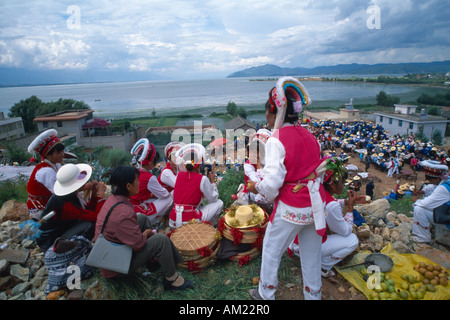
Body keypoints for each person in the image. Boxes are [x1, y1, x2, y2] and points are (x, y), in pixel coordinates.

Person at [247, 77, 327, 300]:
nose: (266, 117)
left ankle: (266, 294)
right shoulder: (312, 137)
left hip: (293, 207)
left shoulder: (276, 139)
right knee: (312, 254)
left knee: (272, 250)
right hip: (316, 205)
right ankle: (313, 295)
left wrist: (256, 186)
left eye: (267, 112)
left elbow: (272, 185)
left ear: (274, 111)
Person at [94, 165, 193, 290]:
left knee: (142, 219)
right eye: (137, 179)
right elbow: (138, 244)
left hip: (111, 254)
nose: (139, 182)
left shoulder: (113, 200)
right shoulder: (123, 212)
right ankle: (172, 279)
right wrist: (146, 234)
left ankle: (153, 261)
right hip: (116, 267)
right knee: (160, 240)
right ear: (128, 186)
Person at [288, 157, 361, 278]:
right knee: (352, 240)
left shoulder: (318, 189)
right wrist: (350, 208)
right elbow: (345, 231)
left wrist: (347, 201)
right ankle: (323, 265)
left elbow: (332, 203)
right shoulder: (332, 205)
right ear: (332, 185)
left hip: (295, 241)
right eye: (342, 183)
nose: (344, 186)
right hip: (304, 247)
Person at [37, 163, 107, 252]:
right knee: (90, 225)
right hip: (51, 241)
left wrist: (94, 194)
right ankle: (76, 250)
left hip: (57, 233)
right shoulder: (66, 205)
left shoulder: (69, 196)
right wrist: (101, 195)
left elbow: (87, 210)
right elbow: (96, 216)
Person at [168, 143, 223, 229]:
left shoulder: (179, 175)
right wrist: (213, 183)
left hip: (173, 221)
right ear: (199, 164)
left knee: (198, 203)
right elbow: (213, 198)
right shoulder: (202, 179)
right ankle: (208, 228)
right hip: (190, 221)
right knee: (219, 203)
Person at [130, 138, 173, 226]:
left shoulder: (136, 171)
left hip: (132, 207)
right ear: (150, 162)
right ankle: (159, 220)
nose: (155, 163)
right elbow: (164, 194)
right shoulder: (149, 177)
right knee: (170, 198)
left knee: (155, 198)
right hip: (138, 211)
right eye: (154, 161)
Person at [26, 129, 66, 219]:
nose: (62, 154)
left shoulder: (55, 164)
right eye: (58, 152)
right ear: (48, 155)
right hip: (41, 211)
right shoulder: (46, 171)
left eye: (62, 151)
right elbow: (60, 192)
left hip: (49, 204)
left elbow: (65, 177)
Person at [412, 160, 450, 243]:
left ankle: (423, 237)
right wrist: (422, 192)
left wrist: (416, 200)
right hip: (446, 214)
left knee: (419, 209)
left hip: (448, 221)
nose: (429, 181)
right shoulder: (446, 181)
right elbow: (432, 188)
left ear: (436, 178)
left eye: (429, 179)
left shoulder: (443, 189)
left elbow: (425, 204)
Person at [241, 129, 272, 205]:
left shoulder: (269, 163)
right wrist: (258, 165)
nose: (253, 154)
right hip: (254, 193)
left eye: (257, 151)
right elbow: (259, 184)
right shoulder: (248, 165)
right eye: (252, 150)